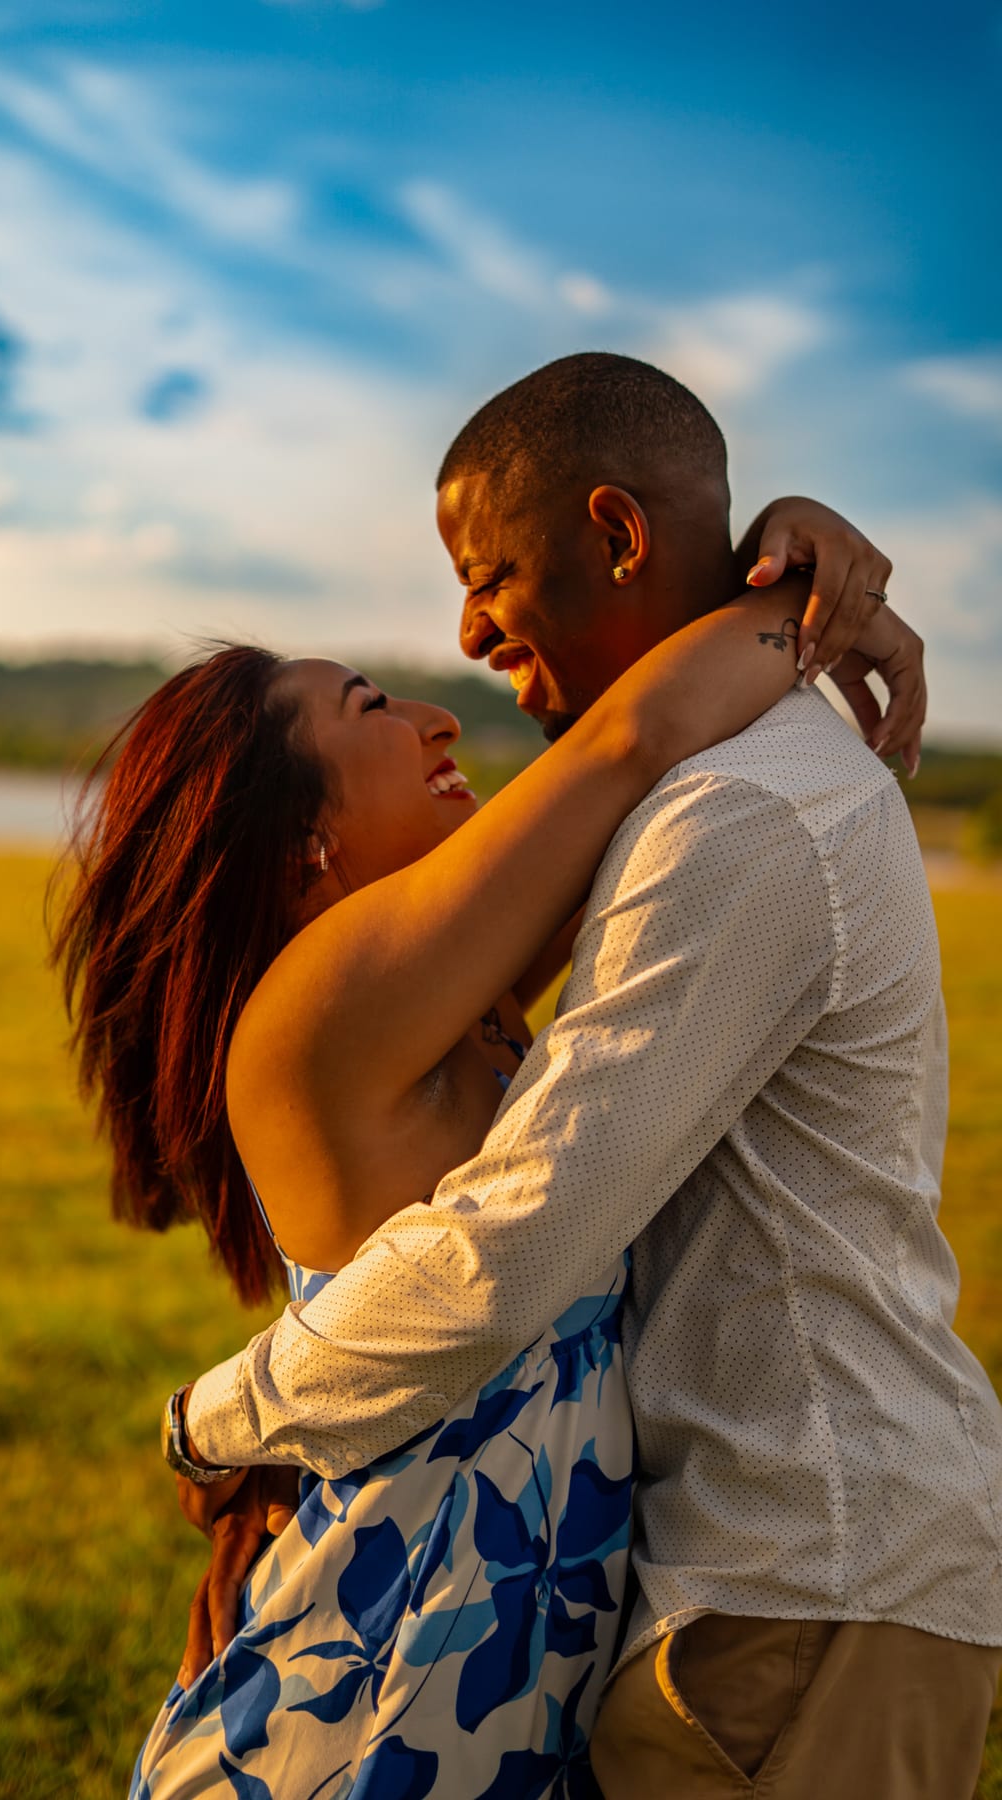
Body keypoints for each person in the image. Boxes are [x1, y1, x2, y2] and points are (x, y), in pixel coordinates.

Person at [176, 355, 1002, 1799]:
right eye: (375, 702)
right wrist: (795, 593)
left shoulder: (732, 813)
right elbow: (632, 731)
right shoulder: (379, 995)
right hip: (451, 1657)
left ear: (616, 535)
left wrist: (222, 1419)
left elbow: (513, 1242)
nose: (458, 654)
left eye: (486, 573)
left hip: (799, 1588)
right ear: (299, 840)